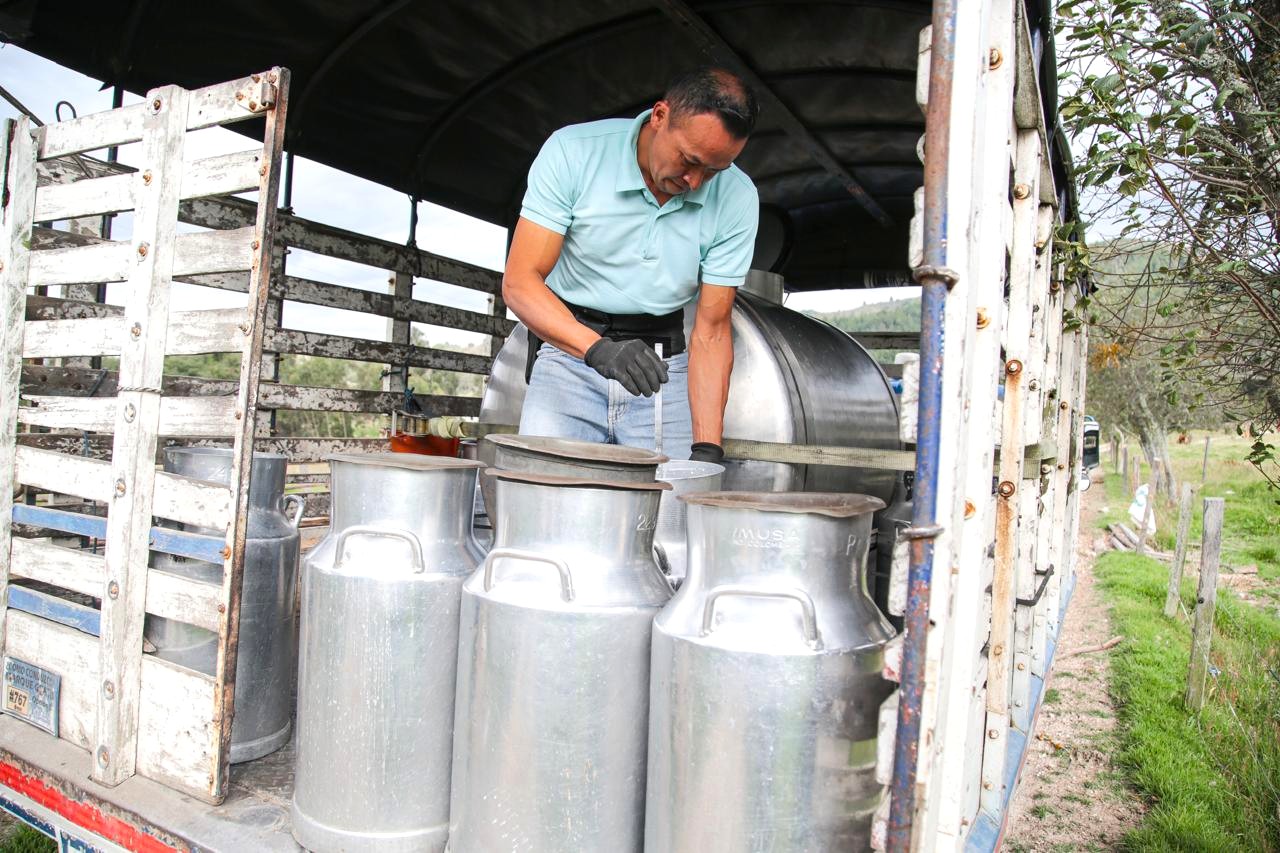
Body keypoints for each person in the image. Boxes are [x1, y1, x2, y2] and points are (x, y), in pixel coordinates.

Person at [503, 67, 760, 463]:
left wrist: (707, 446)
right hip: (567, 355)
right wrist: (597, 349)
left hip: (661, 372)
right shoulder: (574, 152)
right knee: (547, 508)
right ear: (660, 116)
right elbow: (521, 282)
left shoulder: (738, 198)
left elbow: (711, 330)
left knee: (671, 512)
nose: (696, 182)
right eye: (689, 160)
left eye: (713, 170)